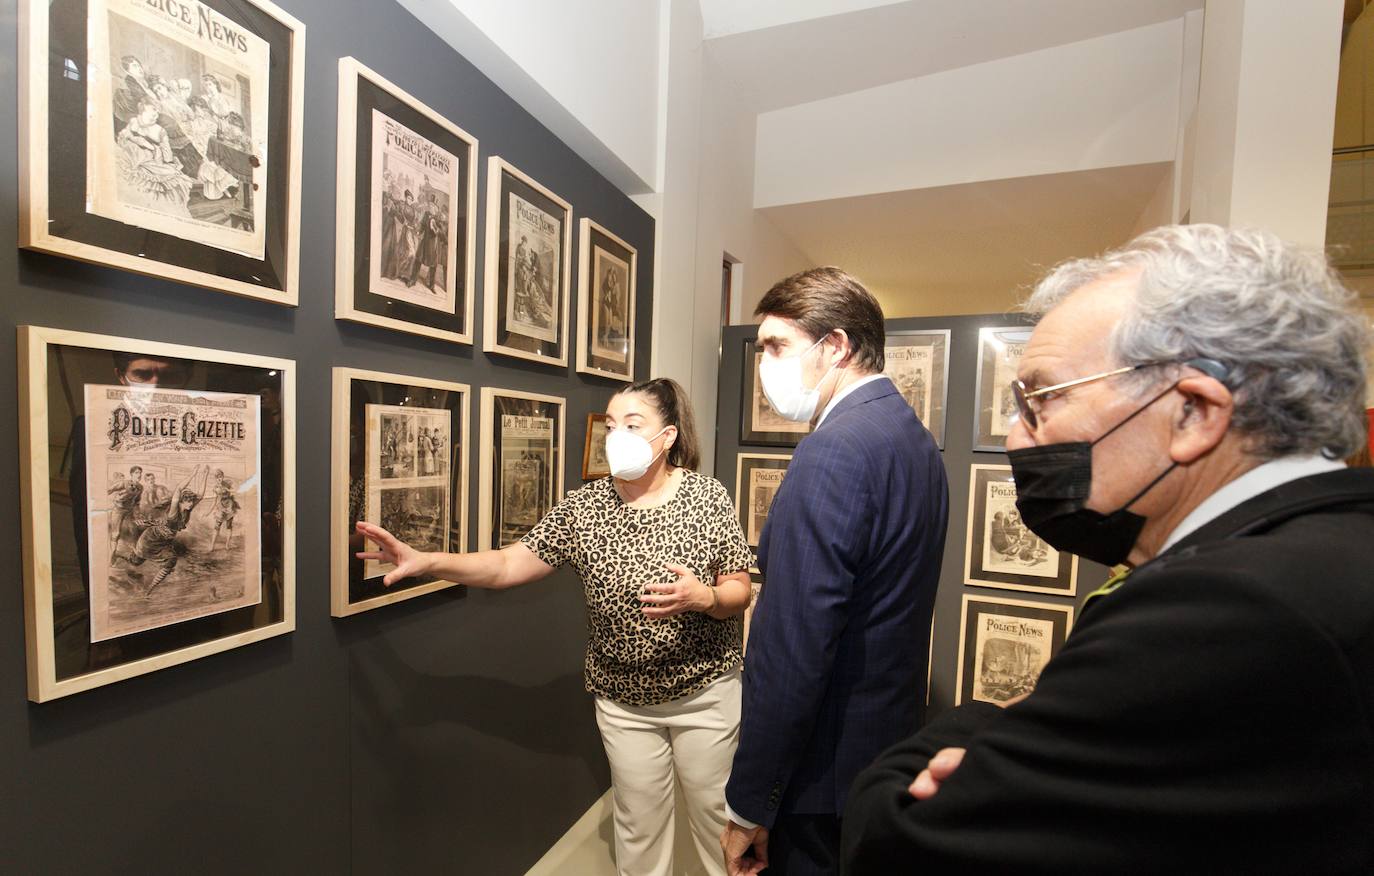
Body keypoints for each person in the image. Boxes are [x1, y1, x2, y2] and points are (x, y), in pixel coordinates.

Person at [841, 224, 1374, 873]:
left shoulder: (1228, 608)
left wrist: (992, 720)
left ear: (1194, 413)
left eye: (1041, 398)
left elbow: (898, 843)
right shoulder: (1333, 544)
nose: (1015, 438)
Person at [358, 378, 756, 876]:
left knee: (714, 821)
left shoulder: (705, 497)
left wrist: (707, 596)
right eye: (611, 425)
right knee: (638, 827)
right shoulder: (585, 507)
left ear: (668, 436)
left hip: (704, 695)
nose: (617, 437)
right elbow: (507, 566)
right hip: (624, 699)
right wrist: (428, 560)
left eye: (634, 425)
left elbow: (739, 590)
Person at [720, 267, 949, 875]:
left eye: (777, 346)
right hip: (880, 752)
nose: (764, 363)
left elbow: (793, 647)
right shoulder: (911, 437)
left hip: (822, 772)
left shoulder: (835, 450)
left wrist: (751, 802)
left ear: (838, 347)